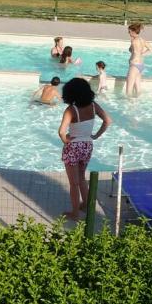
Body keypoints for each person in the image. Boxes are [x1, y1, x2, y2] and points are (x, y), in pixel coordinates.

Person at [58, 78, 111, 220]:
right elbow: (107, 121)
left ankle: (75, 213)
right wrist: (96, 136)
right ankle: (86, 206)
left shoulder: (71, 110)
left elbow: (62, 132)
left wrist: (66, 141)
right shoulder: (94, 106)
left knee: (73, 183)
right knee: (81, 177)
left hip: (74, 146)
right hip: (87, 145)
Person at [125, 22, 152, 96]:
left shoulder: (134, 41)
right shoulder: (142, 40)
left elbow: (131, 50)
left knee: (128, 90)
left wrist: (135, 54)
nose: (128, 33)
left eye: (129, 31)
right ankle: (137, 104)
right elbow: (151, 49)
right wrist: (142, 54)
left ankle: (128, 106)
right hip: (140, 65)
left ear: (133, 31)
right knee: (138, 90)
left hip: (134, 65)